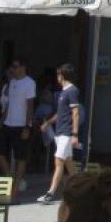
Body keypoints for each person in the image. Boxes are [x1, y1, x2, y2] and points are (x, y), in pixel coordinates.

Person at [37, 63, 83, 203]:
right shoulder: (63, 92)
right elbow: (61, 113)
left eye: (58, 74)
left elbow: (75, 113)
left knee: (58, 161)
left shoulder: (72, 91)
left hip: (66, 133)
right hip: (59, 132)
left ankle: (50, 193)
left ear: (62, 76)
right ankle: (82, 190)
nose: (57, 77)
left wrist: (75, 134)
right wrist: (48, 123)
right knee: (69, 163)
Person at [0, 59, 36, 182]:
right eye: (12, 67)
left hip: (20, 125)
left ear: (23, 67)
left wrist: (27, 127)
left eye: (15, 66)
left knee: (20, 156)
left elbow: (30, 106)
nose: (13, 69)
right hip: (7, 123)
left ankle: (15, 186)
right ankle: (8, 178)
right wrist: (0, 124)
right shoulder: (12, 82)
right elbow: (8, 105)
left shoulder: (29, 83)